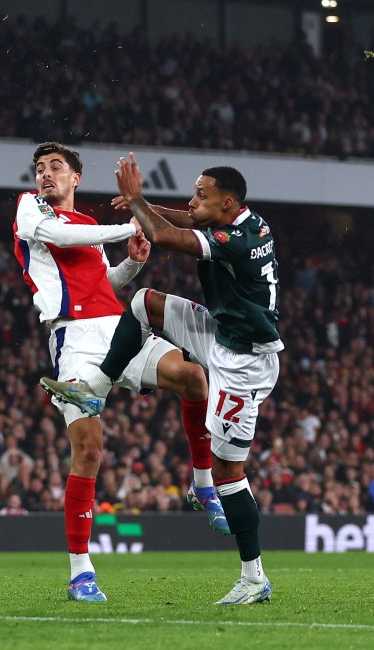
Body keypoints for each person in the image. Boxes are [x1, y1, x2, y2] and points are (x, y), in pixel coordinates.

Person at [45, 153, 281, 605]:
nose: (193, 201)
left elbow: (167, 234)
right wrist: (143, 204)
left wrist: (138, 203)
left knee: (231, 472)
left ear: (227, 204)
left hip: (242, 362)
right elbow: (184, 218)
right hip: (222, 330)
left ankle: (253, 577)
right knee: (144, 303)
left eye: (201, 195)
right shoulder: (244, 220)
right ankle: (96, 389)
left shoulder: (234, 240)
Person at [14, 142, 215, 603]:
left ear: (75, 179)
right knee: (89, 448)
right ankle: (81, 572)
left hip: (116, 326)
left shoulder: (87, 225)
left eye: (56, 167)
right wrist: (132, 222)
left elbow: (101, 284)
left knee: (193, 378)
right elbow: (62, 240)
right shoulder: (30, 210)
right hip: (74, 339)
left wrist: (134, 262)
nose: (46, 174)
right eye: (40, 168)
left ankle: (203, 484)